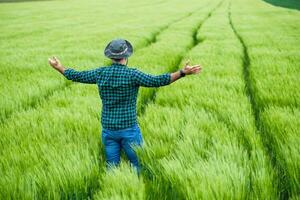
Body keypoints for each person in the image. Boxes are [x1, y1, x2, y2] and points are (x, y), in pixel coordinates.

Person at [48, 38, 201, 173]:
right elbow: (158, 80)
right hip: (129, 130)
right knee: (137, 164)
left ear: (110, 56)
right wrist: (182, 72)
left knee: (112, 168)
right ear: (126, 56)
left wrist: (59, 67)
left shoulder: (100, 73)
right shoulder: (133, 74)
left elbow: (77, 75)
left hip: (108, 130)